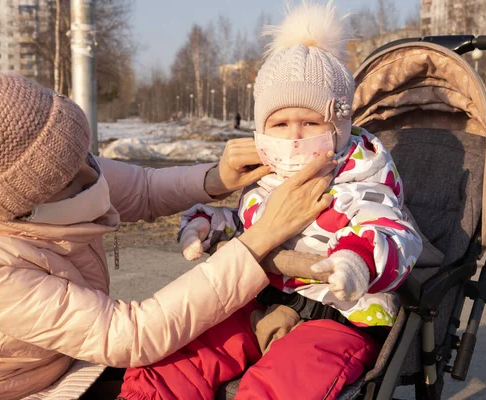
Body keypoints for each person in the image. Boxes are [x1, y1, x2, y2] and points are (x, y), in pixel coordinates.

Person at [0, 73, 335, 399]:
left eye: (83, 154)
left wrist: (214, 178)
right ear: (23, 205)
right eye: (70, 178)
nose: (92, 175)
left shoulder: (43, 170)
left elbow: (141, 189)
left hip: (49, 361)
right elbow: (131, 335)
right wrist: (259, 239)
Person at [119, 2, 422, 399]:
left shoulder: (358, 174)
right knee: (178, 354)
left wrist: (357, 260)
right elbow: (250, 224)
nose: (294, 136)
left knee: (283, 386)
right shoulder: (270, 173)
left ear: (339, 126)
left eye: (311, 123)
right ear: (263, 128)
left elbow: (389, 229)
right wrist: (209, 224)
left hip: (340, 315)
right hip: (260, 296)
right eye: (280, 124)